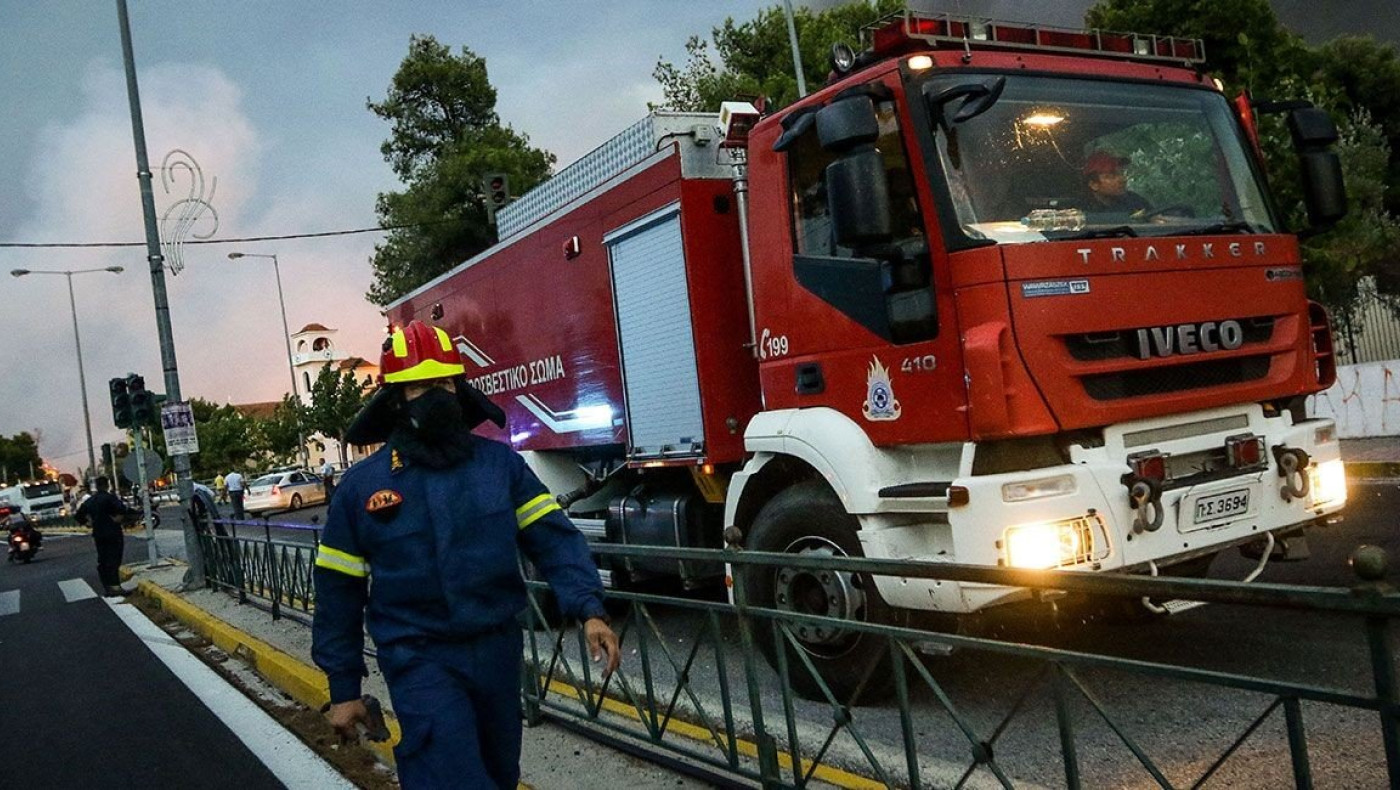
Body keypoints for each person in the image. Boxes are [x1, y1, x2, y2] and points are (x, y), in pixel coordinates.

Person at [312, 319, 621, 789]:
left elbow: (553, 538)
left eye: (443, 383)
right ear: (396, 400)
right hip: (418, 657)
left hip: (497, 650)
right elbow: (339, 592)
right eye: (420, 387)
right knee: (450, 775)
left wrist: (588, 608)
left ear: (459, 388)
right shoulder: (362, 488)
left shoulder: (500, 467)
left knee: (498, 774)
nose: (435, 395)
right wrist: (344, 688)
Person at [74, 477, 134, 597]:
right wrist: (118, 519)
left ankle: (107, 587)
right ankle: (115, 586)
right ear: (107, 485)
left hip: (99, 534)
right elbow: (122, 510)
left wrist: (88, 523)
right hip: (113, 532)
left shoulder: (90, 501)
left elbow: (78, 515)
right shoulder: (110, 498)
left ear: (96, 486)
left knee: (103, 560)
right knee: (114, 559)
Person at [1083, 150, 1150, 213]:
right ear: (1094, 185)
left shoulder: (1133, 200)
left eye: (1121, 173)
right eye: (1112, 176)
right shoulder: (1084, 210)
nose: (1123, 179)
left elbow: (1153, 215)